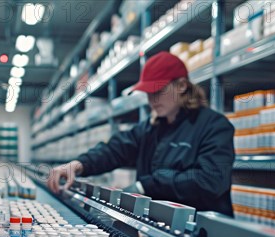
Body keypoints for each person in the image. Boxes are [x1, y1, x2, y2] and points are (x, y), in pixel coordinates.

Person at [47, 51, 235, 216]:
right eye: (148, 93)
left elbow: (209, 181)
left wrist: (147, 185)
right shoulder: (150, 128)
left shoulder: (214, 126)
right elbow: (116, 149)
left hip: (203, 236)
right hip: (161, 227)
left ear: (182, 86)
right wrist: (79, 164)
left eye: (158, 91)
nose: (152, 100)